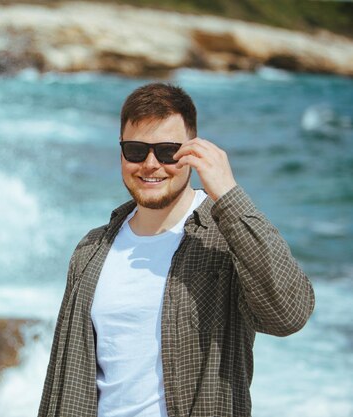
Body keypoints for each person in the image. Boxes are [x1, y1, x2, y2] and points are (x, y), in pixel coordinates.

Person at [38, 83, 315, 417]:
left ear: (194, 152)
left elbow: (289, 314)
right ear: (122, 152)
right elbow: (65, 382)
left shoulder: (226, 239)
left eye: (168, 151)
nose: (151, 164)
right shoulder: (90, 250)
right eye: (136, 150)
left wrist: (228, 194)